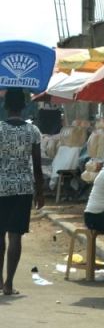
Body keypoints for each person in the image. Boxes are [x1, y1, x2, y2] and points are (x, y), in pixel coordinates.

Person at [0, 89, 44, 296]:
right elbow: (37, 165)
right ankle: (9, 284)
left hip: (1, 187)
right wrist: (41, 191)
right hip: (23, 188)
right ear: (24, 105)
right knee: (15, 236)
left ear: (6, 106)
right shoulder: (32, 131)